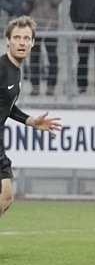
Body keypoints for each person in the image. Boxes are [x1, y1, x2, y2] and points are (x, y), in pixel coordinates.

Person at [1, 17, 62, 219]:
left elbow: (6, 105)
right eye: (17, 37)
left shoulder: (15, 71)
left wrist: (31, 121)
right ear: (7, 40)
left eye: (26, 38)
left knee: (6, 197)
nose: (21, 42)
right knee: (5, 195)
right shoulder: (2, 68)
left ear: (33, 43)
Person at [21, 0, 63, 96]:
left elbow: (57, 0)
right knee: (34, 58)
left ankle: (51, 86)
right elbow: (25, 7)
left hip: (51, 28)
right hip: (35, 28)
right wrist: (28, 1)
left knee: (52, 58)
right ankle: (35, 86)